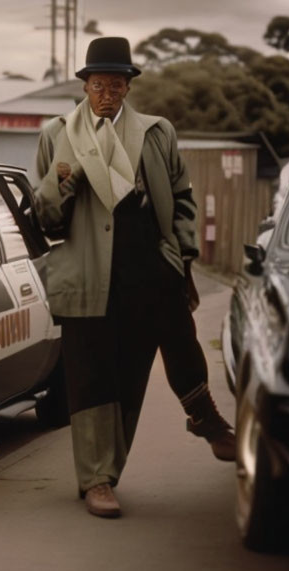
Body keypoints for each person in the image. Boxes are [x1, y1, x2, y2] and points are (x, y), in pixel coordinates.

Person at [32, 36, 235, 518]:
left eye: (116, 84)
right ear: (85, 85)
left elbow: (183, 198)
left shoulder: (156, 132)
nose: (106, 93)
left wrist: (179, 254)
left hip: (149, 263)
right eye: (98, 84)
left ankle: (203, 416)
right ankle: (98, 479)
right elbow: (43, 217)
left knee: (170, 344)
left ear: (127, 87)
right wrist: (66, 179)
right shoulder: (57, 133)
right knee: (93, 377)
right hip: (86, 272)